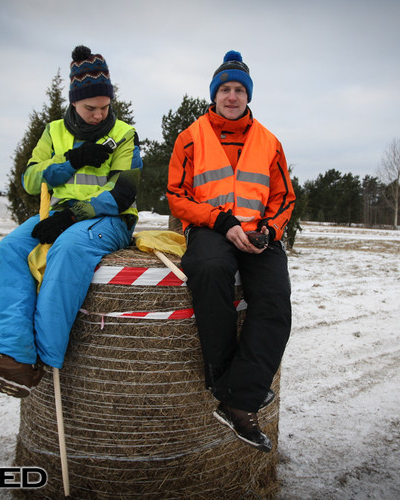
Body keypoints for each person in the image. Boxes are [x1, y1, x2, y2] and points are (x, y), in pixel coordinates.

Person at [0, 46, 142, 397]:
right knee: (10, 249)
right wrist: (70, 162)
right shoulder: (53, 131)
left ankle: (41, 359)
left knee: (68, 250)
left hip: (109, 219)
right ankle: (12, 354)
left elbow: (125, 191)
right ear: (74, 102)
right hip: (57, 216)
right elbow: (29, 180)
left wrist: (75, 214)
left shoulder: (124, 133)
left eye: (104, 107)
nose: (98, 115)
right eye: (90, 108)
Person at [166, 50, 296, 453]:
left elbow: (283, 197)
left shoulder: (270, 142)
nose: (233, 95)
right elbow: (176, 195)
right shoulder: (190, 137)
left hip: (258, 231)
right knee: (208, 269)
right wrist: (222, 222)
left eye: (240, 89)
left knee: (275, 301)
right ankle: (226, 380)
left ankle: (237, 398)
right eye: (226, 88)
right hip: (211, 226)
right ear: (214, 94)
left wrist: (270, 231)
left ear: (248, 95)